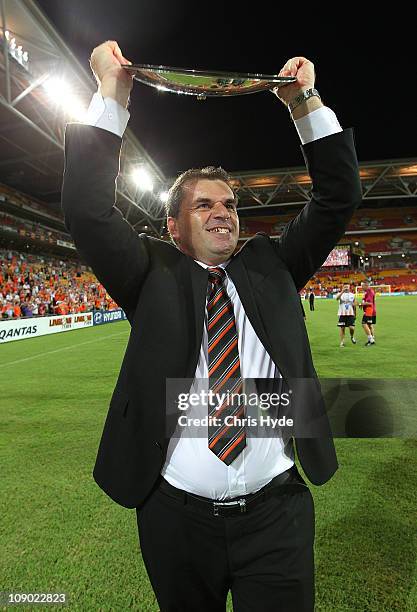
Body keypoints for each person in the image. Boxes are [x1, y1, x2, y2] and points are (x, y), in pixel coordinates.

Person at [61, 40, 362, 612]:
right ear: (174, 227)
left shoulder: (273, 264)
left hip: (276, 516)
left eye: (228, 204)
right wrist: (111, 97)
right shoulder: (149, 273)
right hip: (176, 520)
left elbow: (337, 197)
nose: (223, 211)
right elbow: (86, 207)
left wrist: (306, 105)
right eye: (204, 206)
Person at [360, 280, 376, 345]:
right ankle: (372, 339)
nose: (361, 287)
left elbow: (369, 303)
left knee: (364, 323)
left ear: (366, 285)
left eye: (362, 286)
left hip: (369, 309)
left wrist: (360, 304)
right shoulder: (368, 291)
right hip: (372, 310)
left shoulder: (369, 291)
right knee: (369, 325)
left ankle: (371, 339)